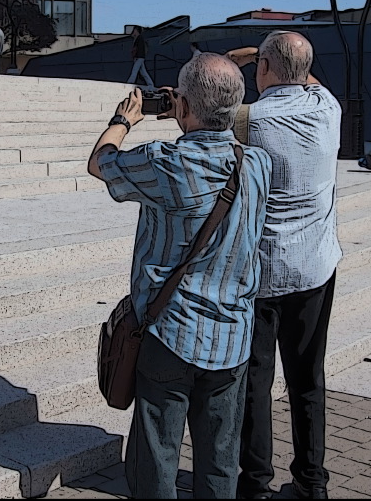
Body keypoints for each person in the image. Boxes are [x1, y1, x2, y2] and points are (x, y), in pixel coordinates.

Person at [88, 53, 272, 499]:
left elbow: (101, 161)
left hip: (171, 333)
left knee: (156, 458)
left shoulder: (166, 162)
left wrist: (124, 118)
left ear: (183, 106)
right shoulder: (259, 164)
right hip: (232, 336)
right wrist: (195, 108)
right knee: (219, 462)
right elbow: (226, 127)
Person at [225, 31, 342, 500]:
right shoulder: (328, 109)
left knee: (256, 381)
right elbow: (306, 78)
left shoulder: (248, 120)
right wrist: (274, 58)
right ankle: (312, 482)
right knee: (308, 379)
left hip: (263, 274)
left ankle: (254, 484)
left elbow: (206, 105)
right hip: (315, 268)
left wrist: (252, 59)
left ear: (266, 70)